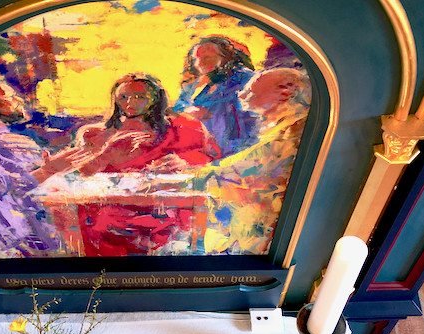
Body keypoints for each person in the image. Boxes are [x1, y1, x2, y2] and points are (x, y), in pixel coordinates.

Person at [0, 72, 84, 257]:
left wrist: (48, 168)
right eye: (8, 96)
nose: (17, 100)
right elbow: (4, 187)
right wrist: (48, 170)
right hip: (12, 242)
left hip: (24, 232)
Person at [181, 67, 313, 255]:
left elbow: (243, 172)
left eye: (251, 91)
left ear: (286, 92)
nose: (241, 95)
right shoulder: (280, 128)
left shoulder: (293, 133)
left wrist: (189, 175)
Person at [69, 73, 220, 176]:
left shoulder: (183, 127)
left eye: (140, 97)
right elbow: (78, 174)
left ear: (156, 99)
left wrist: (183, 162)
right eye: (123, 97)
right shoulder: (93, 134)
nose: (130, 103)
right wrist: (108, 154)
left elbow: (210, 156)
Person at [173, 36, 260, 157]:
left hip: (241, 149)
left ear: (226, 58)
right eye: (196, 59)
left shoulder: (246, 79)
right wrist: (189, 109)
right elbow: (178, 105)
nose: (200, 63)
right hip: (210, 150)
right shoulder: (197, 85)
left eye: (207, 58)